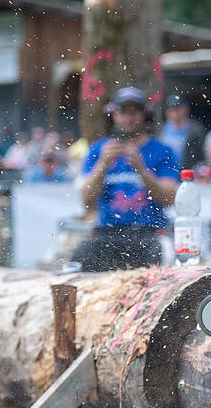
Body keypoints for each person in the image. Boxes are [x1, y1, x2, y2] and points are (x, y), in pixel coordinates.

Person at [71, 86, 179, 271]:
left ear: (144, 115)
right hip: (107, 233)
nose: (128, 118)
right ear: (113, 115)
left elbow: (169, 198)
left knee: (160, 259)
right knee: (79, 259)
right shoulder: (98, 150)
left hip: (149, 234)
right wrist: (103, 164)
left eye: (134, 112)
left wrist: (142, 170)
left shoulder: (163, 151)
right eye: (123, 112)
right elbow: (86, 200)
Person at [158, 93, 206, 170]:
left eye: (177, 109)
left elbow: (201, 156)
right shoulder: (162, 129)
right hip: (167, 171)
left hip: (189, 171)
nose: (175, 114)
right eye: (171, 110)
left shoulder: (196, 130)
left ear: (186, 109)